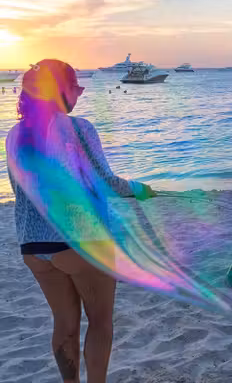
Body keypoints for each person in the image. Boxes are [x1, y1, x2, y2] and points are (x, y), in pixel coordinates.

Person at [4, 60, 155, 383]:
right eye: (77, 88)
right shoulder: (78, 128)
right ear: (60, 90)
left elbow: (24, 190)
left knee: (64, 323)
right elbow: (104, 181)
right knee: (100, 323)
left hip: (34, 246)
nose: (80, 95)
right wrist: (140, 190)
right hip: (83, 241)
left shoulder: (14, 134)